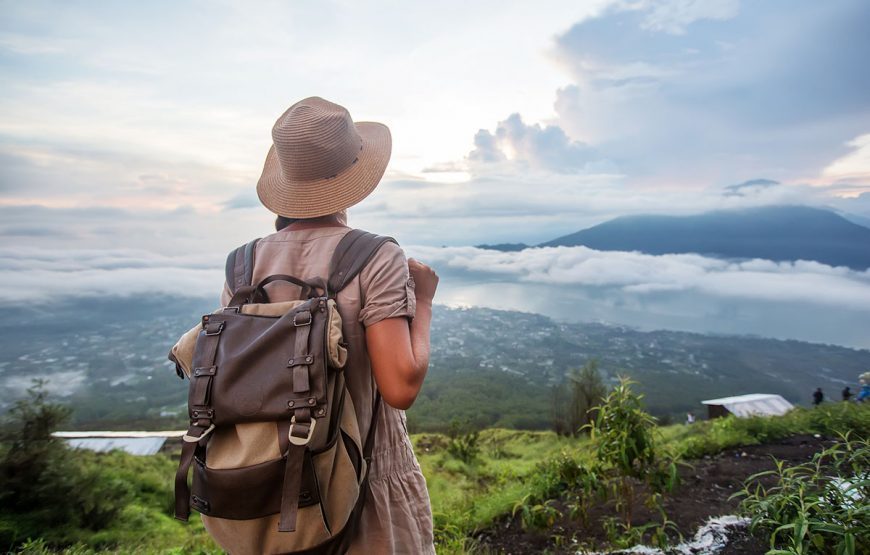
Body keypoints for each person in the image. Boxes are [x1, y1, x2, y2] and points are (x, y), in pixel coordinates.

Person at [206, 97, 438, 554]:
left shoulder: (243, 265)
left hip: (269, 488)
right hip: (363, 484)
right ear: (356, 178)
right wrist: (424, 300)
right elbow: (401, 387)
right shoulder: (374, 256)